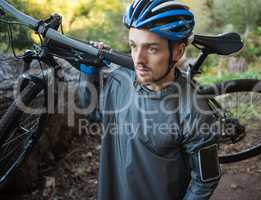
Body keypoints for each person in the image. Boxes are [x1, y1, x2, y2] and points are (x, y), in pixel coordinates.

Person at [79, 0, 221, 199]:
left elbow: (206, 180)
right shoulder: (120, 79)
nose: (138, 59)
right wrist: (87, 74)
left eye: (152, 49)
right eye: (133, 46)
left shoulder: (195, 111)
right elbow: (93, 113)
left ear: (178, 52)